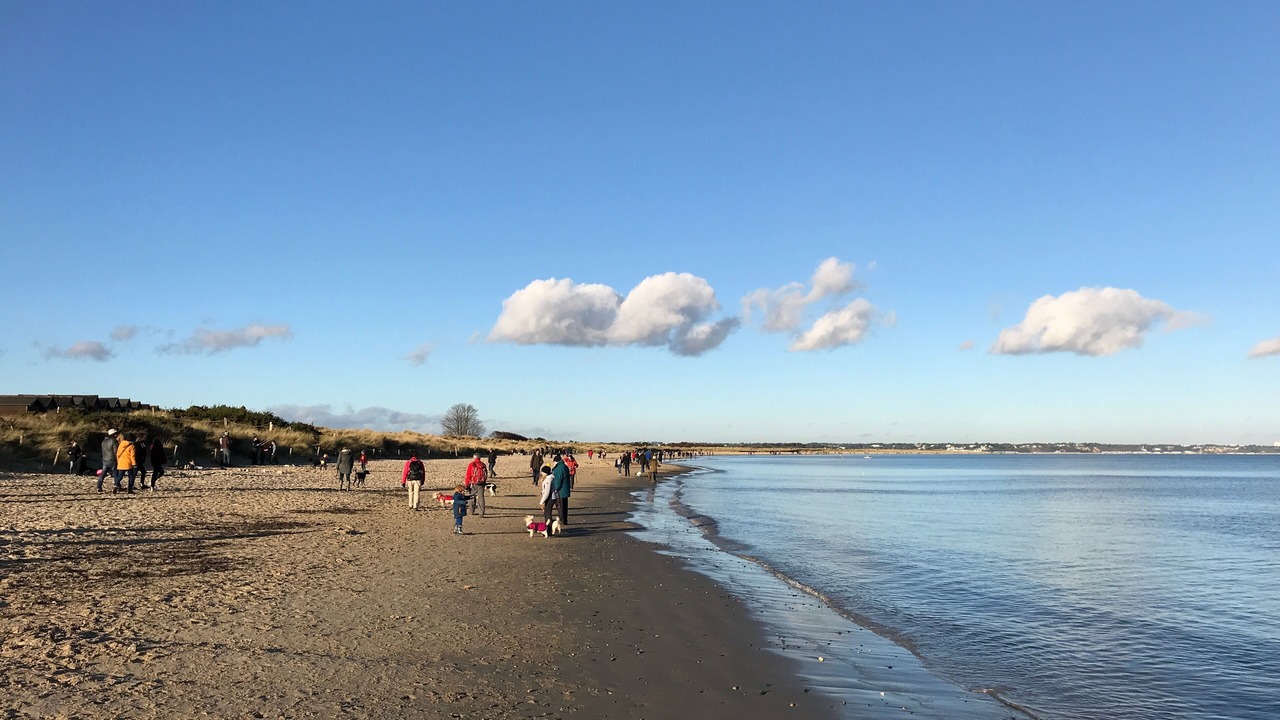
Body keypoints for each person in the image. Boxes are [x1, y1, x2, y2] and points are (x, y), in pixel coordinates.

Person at [550, 454, 572, 528]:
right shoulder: (564, 466)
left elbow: (558, 480)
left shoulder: (559, 468)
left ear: (556, 461)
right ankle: (564, 520)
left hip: (561, 491)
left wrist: (555, 488)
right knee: (564, 506)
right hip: (565, 490)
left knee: (561, 507)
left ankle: (562, 521)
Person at [465, 453, 488, 517]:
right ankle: (481, 513)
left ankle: (471, 511)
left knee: (472, 497)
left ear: (474, 458)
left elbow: (468, 475)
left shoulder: (472, 464)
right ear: (480, 458)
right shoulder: (483, 464)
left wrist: (467, 484)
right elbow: (486, 474)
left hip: (474, 483)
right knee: (481, 498)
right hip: (482, 483)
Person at [537, 464, 557, 533]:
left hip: (550, 498)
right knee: (547, 513)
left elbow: (547, 492)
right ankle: (548, 528)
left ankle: (548, 530)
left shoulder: (548, 479)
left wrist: (541, 502)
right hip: (551, 497)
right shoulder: (549, 478)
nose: (541, 473)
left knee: (547, 513)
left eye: (542, 472)